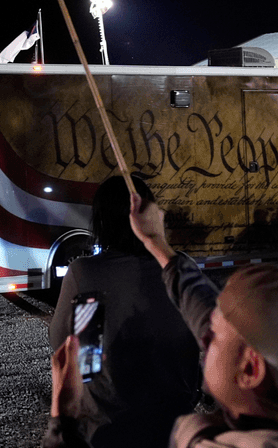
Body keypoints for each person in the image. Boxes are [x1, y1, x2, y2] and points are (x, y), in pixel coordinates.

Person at [44, 182, 278, 448]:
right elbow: (202, 305)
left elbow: (60, 341)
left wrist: (62, 420)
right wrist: (159, 246)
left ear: (251, 368)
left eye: (215, 337)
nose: (202, 334)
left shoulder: (84, 272)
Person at [48, 176, 201, 447]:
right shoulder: (182, 268)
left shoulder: (84, 272)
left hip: (106, 427)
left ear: (101, 221)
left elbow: (61, 343)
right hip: (175, 423)